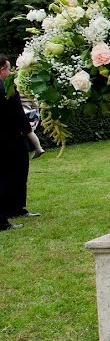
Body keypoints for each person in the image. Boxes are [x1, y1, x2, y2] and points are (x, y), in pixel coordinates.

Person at [1, 55, 40, 231]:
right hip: (10, 138)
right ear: (2, 69)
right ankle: (11, 211)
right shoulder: (6, 88)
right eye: (8, 69)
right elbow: (17, 112)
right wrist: (28, 130)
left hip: (10, 137)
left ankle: (13, 209)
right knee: (15, 173)